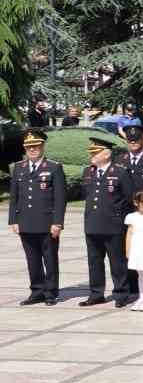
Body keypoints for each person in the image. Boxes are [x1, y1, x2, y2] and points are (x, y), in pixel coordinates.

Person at [8, 129, 67, 305]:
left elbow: (60, 198)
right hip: (25, 222)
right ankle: (37, 291)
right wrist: (13, 220)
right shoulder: (19, 168)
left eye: (36, 146)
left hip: (47, 222)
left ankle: (50, 292)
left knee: (49, 259)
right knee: (32, 259)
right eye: (29, 147)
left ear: (42, 147)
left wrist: (57, 222)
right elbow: (14, 197)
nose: (32, 149)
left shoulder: (54, 167)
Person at [80, 137, 133, 307]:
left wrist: (121, 220)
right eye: (92, 153)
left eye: (96, 153)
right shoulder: (88, 172)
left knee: (117, 263)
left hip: (113, 225)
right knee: (94, 262)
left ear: (106, 154)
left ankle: (121, 294)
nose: (92, 156)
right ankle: (96, 294)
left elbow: (129, 199)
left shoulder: (120, 172)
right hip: (92, 224)